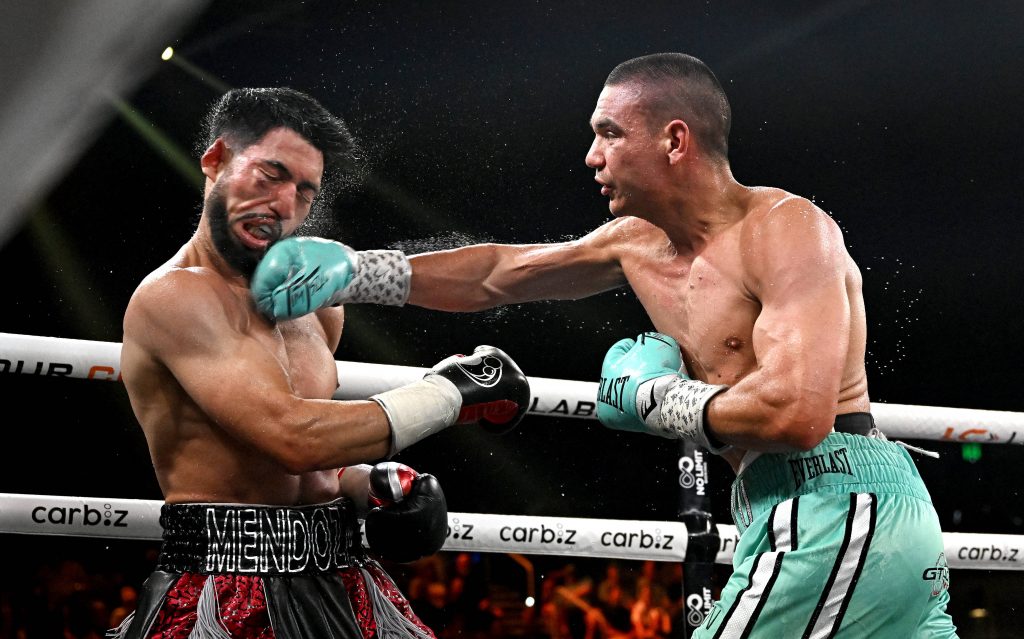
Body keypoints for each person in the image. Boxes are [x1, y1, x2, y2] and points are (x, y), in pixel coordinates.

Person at [251, 53, 959, 637]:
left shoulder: (786, 229)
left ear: (675, 140)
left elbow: (798, 415)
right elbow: (502, 272)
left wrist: (658, 399)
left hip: (836, 500)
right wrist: (361, 269)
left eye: (610, 133)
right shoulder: (635, 244)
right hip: (797, 509)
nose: (592, 155)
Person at [116, 87, 531, 637]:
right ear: (216, 161)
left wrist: (372, 482)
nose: (285, 204)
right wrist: (450, 393)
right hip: (225, 582)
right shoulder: (173, 297)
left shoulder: (317, 308)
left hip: (345, 572)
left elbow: (318, 463)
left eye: (304, 191)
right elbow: (292, 439)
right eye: (270, 174)